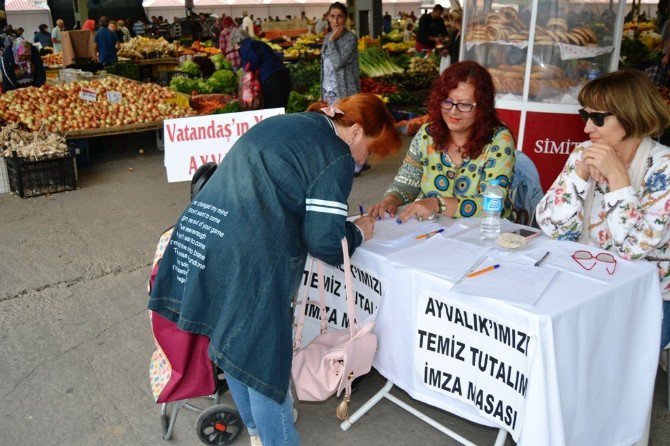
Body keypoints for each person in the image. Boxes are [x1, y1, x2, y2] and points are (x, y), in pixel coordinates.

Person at [148, 93, 401, 446]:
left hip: (200, 234)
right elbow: (324, 242)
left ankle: (256, 430)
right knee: (265, 362)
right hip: (244, 255)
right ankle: (276, 438)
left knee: (230, 343)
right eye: (370, 150)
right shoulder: (336, 154)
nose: (364, 160)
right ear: (356, 131)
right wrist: (358, 231)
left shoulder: (295, 122)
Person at [535, 70, 670, 349]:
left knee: (599, 353)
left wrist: (619, 180)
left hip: (648, 295)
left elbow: (634, 249)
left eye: (598, 118)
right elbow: (550, 226)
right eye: (585, 116)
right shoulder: (585, 152)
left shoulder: (664, 167)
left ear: (631, 115)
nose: (587, 129)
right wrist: (579, 176)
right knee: (538, 335)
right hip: (585, 279)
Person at [368, 61, 516, 222]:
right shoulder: (427, 134)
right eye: (447, 102)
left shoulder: (499, 141)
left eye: (465, 105)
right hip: (433, 229)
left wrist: (438, 204)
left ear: (483, 108)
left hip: (485, 231)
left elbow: (492, 203)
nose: (453, 111)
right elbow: (405, 184)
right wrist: (391, 200)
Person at [321, 2, 368, 175]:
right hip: (330, 90)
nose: (336, 20)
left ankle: (357, 163)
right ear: (327, 17)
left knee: (350, 126)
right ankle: (345, 159)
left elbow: (338, 62)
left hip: (345, 90)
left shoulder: (349, 38)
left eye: (340, 16)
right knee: (336, 127)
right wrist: (323, 91)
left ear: (346, 18)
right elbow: (324, 66)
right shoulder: (327, 37)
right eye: (332, 16)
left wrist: (333, 41)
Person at [231, 29, 291, 109]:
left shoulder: (246, 45)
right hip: (282, 76)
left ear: (236, 42)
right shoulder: (258, 43)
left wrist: (244, 72)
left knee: (273, 112)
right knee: (280, 109)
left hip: (272, 80)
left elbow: (253, 61)